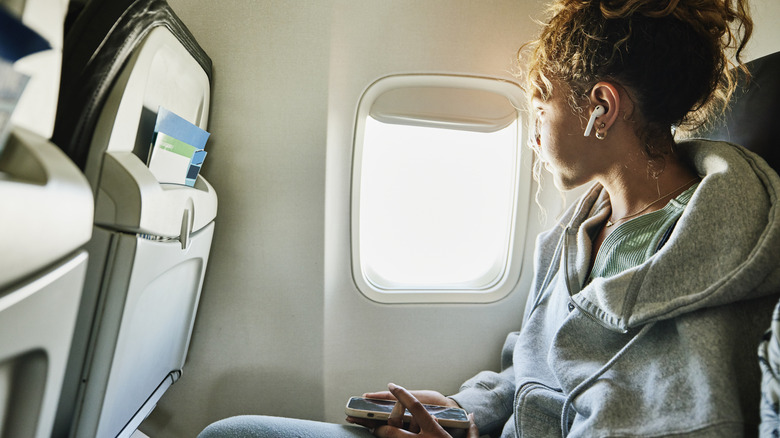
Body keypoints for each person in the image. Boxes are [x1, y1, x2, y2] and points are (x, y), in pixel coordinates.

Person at [199, 0, 780, 436]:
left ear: (601, 107)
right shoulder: (571, 235)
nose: (534, 133)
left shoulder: (712, 248)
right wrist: (465, 411)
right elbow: (532, 366)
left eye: (540, 105)